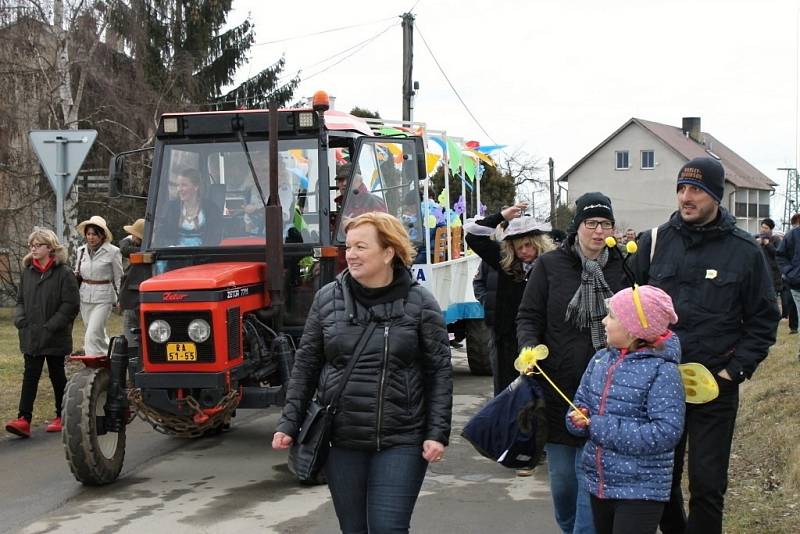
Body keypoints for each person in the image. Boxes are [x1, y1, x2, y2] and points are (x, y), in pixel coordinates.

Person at [272, 212, 452, 534]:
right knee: (353, 529)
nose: (350, 255)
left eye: (361, 247)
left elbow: (438, 372)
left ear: (388, 252)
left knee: (387, 527)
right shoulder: (327, 299)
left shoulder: (421, 303)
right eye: (349, 246)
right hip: (342, 438)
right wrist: (289, 422)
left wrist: (436, 432)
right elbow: (306, 365)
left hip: (402, 438)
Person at [630, 157, 779, 534]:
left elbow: (763, 320)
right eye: (681, 188)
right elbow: (631, 308)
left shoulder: (745, 252)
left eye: (695, 189)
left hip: (715, 387)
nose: (686, 197)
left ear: (716, 195)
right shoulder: (654, 243)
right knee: (661, 482)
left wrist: (733, 372)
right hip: (659, 386)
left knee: (708, 486)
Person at [516, 191, 627, 534]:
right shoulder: (550, 266)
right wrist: (528, 349)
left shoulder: (623, 267)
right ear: (577, 226)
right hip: (559, 392)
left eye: (605, 223)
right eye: (591, 223)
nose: (598, 231)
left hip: (607, 394)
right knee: (564, 487)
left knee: (588, 487)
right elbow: (529, 316)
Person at [567, 285, 685, 534]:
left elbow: (665, 432)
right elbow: (581, 402)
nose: (603, 321)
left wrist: (597, 426)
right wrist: (577, 418)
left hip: (641, 489)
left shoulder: (662, 371)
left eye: (611, 316)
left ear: (634, 329)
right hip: (601, 483)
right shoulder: (599, 360)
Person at [465, 203, 555, 396]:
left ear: (537, 242)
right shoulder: (505, 264)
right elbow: (473, 236)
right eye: (518, 247)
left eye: (527, 245)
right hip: (506, 343)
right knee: (508, 397)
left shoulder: (552, 265)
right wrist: (501, 216)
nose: (523, 251)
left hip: (542, 343)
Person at [6, 228, 80, 437]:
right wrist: (20, 320)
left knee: (57, 375)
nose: (33, 248)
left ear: (50, 247)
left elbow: (70, 304)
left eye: (38, 245)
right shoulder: (28, 271)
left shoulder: (64, 273)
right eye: (31, 245)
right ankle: (24, 419)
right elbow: (20, 300)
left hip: (54, 333)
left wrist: (52, 325)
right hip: (31, 333)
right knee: (30, 375)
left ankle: (62, 414)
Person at [75, 215, 123, 357]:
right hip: (85, 296)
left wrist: (121, 298)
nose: (91, 237)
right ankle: (109, 355)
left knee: (92, 334)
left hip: (104, 297)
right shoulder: (81, 251)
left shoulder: (113, 251)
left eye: (95, 234)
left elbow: (119, 276)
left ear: (102, 235)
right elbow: (78, 272)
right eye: (88, 234)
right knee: (97, 332)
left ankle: (92, 362)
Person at [155, 168, 223, 247]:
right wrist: (171, 247)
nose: (179, 189)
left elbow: (215, 238)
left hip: (204, 256)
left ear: (196, 186)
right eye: (178, 185)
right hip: (173, 256)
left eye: (184, 185)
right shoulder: (171, 208)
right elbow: (159, 236)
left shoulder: (211, 209)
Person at [118, 219, 146, 351]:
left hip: (135, 301)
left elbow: (124, 248)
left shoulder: (142, 252)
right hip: (133, 301)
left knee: (133, 337)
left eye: (135, 235)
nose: (132, 237)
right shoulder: (143, 250)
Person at [757, 217, 782, 308]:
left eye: (766, 228)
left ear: (771, 229)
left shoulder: (776, 239)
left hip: (773, 275)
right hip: (760, 273)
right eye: (762, 227)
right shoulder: (757, 239)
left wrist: (768, 244)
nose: (763, 230)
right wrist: (757, 245)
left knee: (772, 300)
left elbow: (778, 254)